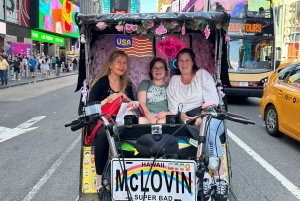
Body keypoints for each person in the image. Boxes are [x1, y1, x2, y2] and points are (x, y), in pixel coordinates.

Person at [166, 48, 227, 201]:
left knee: (207, 131)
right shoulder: (174, 81)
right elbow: (174, 109)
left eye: (187, 60)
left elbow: (213, 101)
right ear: (176, 63)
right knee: (187, 135)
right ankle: (205, 175)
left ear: (193, 62)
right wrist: (188, 119)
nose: (184, 63)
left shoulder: (202, 75)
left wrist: (202, 116)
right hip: (186, 119)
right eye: (181, 60)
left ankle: (221, 178)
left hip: (208, 114)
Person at [86, 50, 134, 194]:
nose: (122, 65)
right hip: (101, 121)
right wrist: (107, 100)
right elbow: (89, 109)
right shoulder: (101, 82)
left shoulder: (128, 84)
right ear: (111, 65)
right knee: (104, 133)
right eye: (118, 62)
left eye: (125, 62)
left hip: (120, 119)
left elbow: (133, 106)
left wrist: (127, 99)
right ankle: (99, 178)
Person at [137, 58, 171, 124]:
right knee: (140, 121)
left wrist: (167, 113)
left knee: (162, 123)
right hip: (148, 117)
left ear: (165, 70)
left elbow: (174, 106)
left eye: (161, 68)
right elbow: (141, 103)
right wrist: (151, 118)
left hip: (164, 117)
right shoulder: (145, 83)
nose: (158, 70)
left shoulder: (169, 86)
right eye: (155, 68)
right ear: (151, 70)